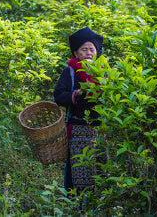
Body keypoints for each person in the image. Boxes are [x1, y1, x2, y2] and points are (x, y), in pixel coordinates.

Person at [53, 27, 104, 195]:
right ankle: (78, 205)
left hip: (100, 130)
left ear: (97, 52)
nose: (88, 53)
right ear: (76, 53)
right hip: (78, 128)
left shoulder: (104, 72)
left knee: (101, 169)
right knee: (79, 171)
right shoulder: (70, 71)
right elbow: (59, 95)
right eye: (84, 49)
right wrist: (74, 95)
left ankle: (99, 205)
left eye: (92, 49)